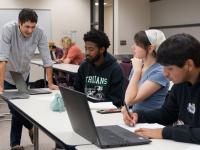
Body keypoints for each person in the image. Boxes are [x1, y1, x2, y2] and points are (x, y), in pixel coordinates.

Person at [122, 33, 200, 144]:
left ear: (189, 65)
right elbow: (167, 114)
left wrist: (164, 132)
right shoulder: (181, 83)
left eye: (170, 68)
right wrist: (139, 115)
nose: (165, 74)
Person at [0, 8, 58, 150]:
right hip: (8, 74)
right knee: (15, 109)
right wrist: (0, 85)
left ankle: (15, 144)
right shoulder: (8, 29)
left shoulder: (40, 32)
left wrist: (50, 83)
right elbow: (2, 59)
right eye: (27, 26)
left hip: (24, 74)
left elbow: (47, 59)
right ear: (19, 23)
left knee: (19, 108)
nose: (30, 30)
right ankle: (28, 129)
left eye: (33, 26)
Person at [73, 29, 126, 108]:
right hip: (86, 109)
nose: (87, 53)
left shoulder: (115, 69)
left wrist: (94, 105)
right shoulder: (84, 66)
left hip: (105, 112)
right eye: (86, 48)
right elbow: (77, 91)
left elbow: (117, 101)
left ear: (102, 49)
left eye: (91, 49)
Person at [122, 29, 169, 112]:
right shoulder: (139, 65)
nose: (133, 47)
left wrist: (137, 72)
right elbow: (128, 98)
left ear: (150, 48)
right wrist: (126, 109)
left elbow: (130, 100)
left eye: (137, 44)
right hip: (136, 117)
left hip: (151, 122)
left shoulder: (160, 72)